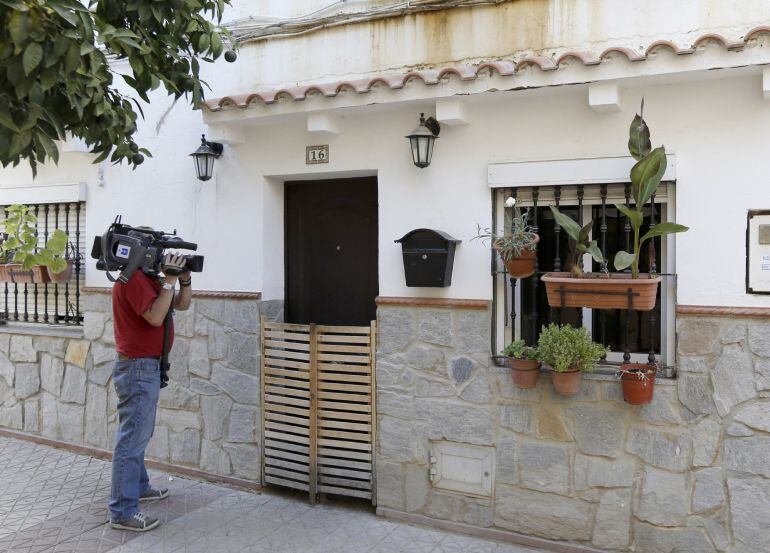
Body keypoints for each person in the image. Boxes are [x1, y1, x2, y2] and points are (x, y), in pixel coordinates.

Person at [108, 253, 192, 531]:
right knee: (132, 438)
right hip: (137, 368)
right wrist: (169, 280)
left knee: (139, 434)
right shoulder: (132, 279)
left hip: (147, 366)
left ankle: (139, 487)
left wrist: (184, 279)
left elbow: (180, 304)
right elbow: (156, 317)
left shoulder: (148, 279)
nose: (160, 255)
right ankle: (122, 510)